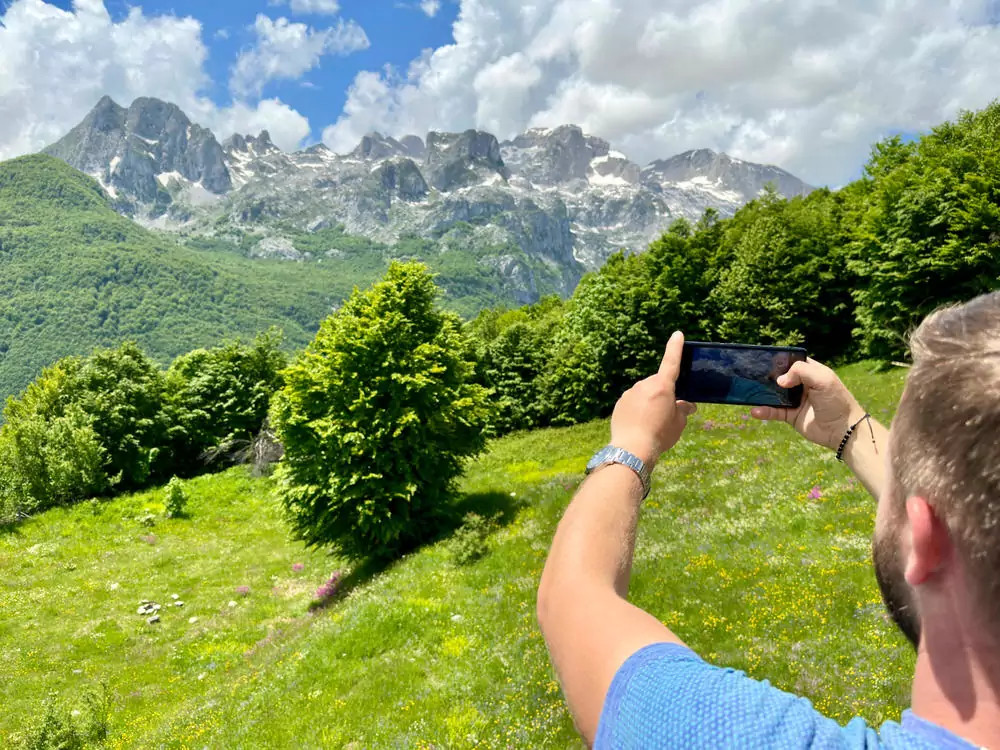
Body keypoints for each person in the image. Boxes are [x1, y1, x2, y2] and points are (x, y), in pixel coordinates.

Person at [537, 292, 1000, 749]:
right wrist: (847, 427)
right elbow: (952, 514)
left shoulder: (730, 738)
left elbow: (571, 601)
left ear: (924, 541)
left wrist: (632, 443)